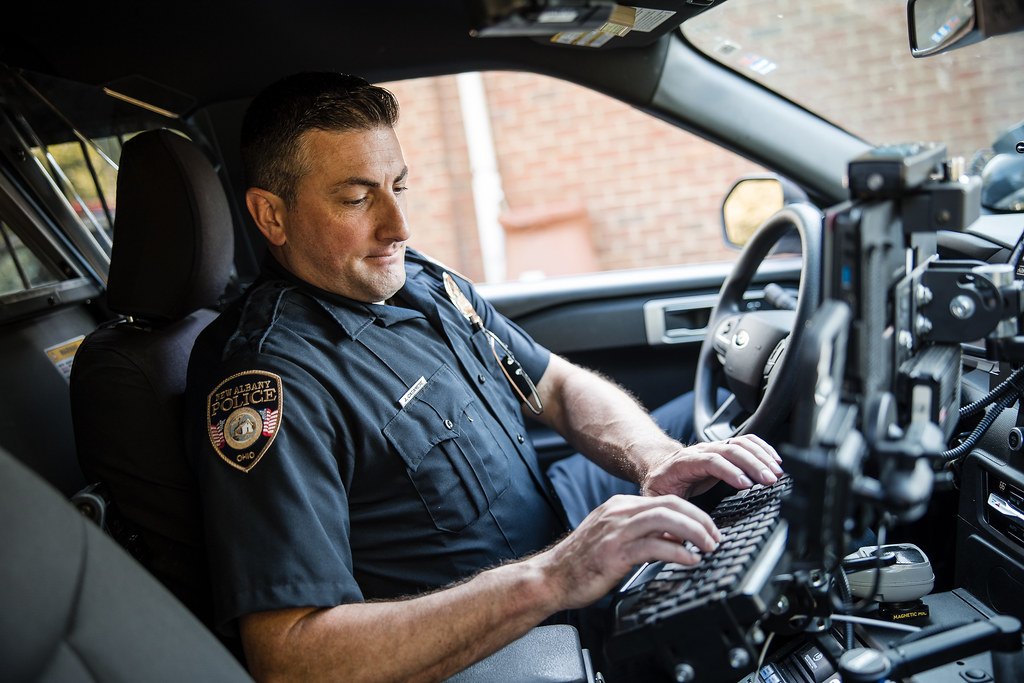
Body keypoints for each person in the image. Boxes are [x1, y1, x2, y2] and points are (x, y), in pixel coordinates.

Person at [184, 71, 783, 682]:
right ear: (271, 215)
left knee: (722, 449)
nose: (399, 226)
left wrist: (654, 460)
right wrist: (553, 578)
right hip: (509, 638)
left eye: (400, 185)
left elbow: (554, 387)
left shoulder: (421, 282)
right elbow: (290, 658)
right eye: (358, 198)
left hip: (553, 535)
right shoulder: (271, 380)